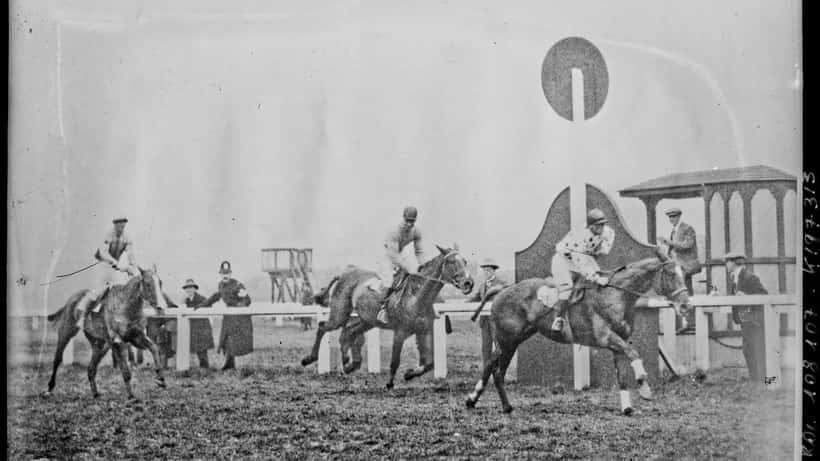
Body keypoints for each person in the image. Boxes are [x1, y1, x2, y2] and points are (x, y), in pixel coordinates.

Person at [550, 208, 615, 333]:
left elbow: (601, 253)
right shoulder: (580, 235)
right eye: (598, 226)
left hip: (584, 257)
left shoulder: (608, 232)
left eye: (603, 224)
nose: (601, 228)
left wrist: (596, 272)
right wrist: (596, 277)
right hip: (563, 260)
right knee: (567, 289)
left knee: (595, 283)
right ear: (590, 226)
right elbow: (580, 262)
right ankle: (558, 319)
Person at [74, 216, 140, 332]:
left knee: (122, 289)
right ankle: (83, 317)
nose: (121, 227)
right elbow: (103, 253)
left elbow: (130, 254)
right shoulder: (108, 235)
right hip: (103, 265)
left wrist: (133, 268)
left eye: (123, 225)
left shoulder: (127, 237)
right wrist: (115, 262)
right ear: (114, 225)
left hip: (115, 267)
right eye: (119, 225)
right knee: (99, 291)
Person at [377, 206, 426, 324]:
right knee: (389, 279)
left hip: (400, 254)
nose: (409, 224)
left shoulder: (417, 231)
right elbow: (393, 255)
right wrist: (407, 267)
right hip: (388, 255)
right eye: (407, 220)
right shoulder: (394, 231)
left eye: (412, 221)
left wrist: (423, 266)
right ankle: (382, 309)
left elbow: (419, 251)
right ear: (403, 217)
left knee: (415, 276)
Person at [725, 252, 768, 383]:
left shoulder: (749, 277)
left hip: (754, 321)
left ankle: (764, 382)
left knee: (757, 351)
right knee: (748, 351)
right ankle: (755, 381)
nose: (726, 265)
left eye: (727, 262)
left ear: (733, 263)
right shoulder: (736, 277)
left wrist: (746, 296)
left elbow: (764, 295)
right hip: (746, 321)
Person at [202, 261, 253, 370]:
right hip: (229, 315)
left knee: (233, 340)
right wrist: (202, 305)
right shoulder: (220, 285)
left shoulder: (238, 285)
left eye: (227, 273)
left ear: (230, 274)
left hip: (239, 316)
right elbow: (216, 297)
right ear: (220, 274)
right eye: (223, 273)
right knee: (225, 339)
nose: (225, 276)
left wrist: (240, 305)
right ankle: (230, 364)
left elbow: (247, 300)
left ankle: (230, 364)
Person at [468, 258, 508, 364]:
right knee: (486, 347)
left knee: (499, 347)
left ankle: (499, 370)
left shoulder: (502, 283)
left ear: (493, 270)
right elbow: (475, 298)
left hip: (497, 321)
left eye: (488, 270)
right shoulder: (482, 286)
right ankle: (486, 372)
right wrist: (461, 303)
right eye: (484, 270)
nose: (486, 272)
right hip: (485, 321)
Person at [658, 207, 701, 295]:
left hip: (685, 265)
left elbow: (688, 244)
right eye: (670, 217)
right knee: (682, 288)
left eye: (673, 216)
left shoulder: (688, 228)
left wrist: (669, 242)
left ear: (679, 216)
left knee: (683, 288)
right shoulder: (674, 230)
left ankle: (688, 307)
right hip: (677, 264)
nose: (671, 219)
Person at [181, 278, 215, 369]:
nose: (189, 290)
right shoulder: (186, 300)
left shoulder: (201, 298)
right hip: (193, 327)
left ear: (195, 289)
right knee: (197, 349)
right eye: (187, 288)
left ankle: (205, 368)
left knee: (202, 350)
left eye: (191, 287)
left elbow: (210, 305)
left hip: (202, 327)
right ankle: (202, 367)